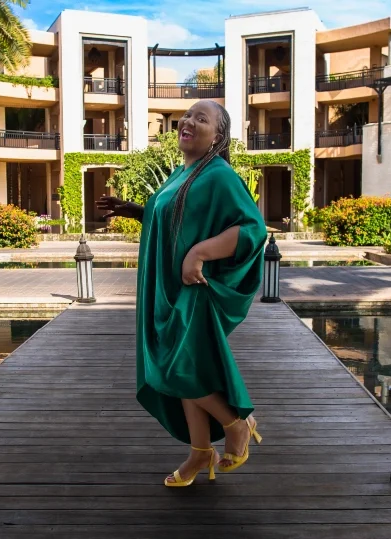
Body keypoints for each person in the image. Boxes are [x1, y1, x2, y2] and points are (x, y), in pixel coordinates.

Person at [97, 100, 267, 487]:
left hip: (194, 292)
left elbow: (254, 230)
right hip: (169, 290)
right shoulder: (184, 171)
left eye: (201, 118)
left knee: (174, 367)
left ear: (217, 136)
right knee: (184, 370)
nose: (188, 121)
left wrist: (199, 253)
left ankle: (236, 424)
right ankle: (200, 452)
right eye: (187, 116)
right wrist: (135, 210)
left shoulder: (220, 175)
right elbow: (176, 216)